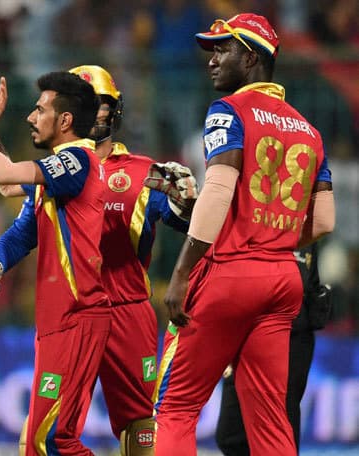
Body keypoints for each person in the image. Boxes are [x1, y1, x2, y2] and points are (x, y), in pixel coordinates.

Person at [153, 13, 335, 456]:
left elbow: (218, 191)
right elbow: (324, 222)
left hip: (230, 275)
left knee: (176, 409)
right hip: (283, 280)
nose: (212, 59)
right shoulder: (309, 131)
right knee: (270, 421)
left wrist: (182, 271)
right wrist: (273, 241)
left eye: (223, 49)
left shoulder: (228, 111)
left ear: (251, 58)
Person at [0, 68, 110, 455]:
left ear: (65, 120)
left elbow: (4, 171)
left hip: (77, 318)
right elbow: (9, 190)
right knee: (39, 441)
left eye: (40, 110)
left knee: (51, 440)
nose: (30, 117)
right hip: (57, 322)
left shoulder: (76, 161)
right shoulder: (57, 175)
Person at [68, 65, 198, 455]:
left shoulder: (143, 173)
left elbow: (185, 222)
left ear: (115, 110)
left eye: (100, 104)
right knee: (47, 427)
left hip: (127, 312)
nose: (94, 112)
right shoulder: (51, 172)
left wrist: (188, 202)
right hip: (71, 312)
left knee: (140, 426)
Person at [216, 243, 332, 455]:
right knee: (230, 434)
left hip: (294, 337)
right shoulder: (250, 230)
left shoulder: (306, 237)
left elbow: (312, 283)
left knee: (283, 417)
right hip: (246, 329)